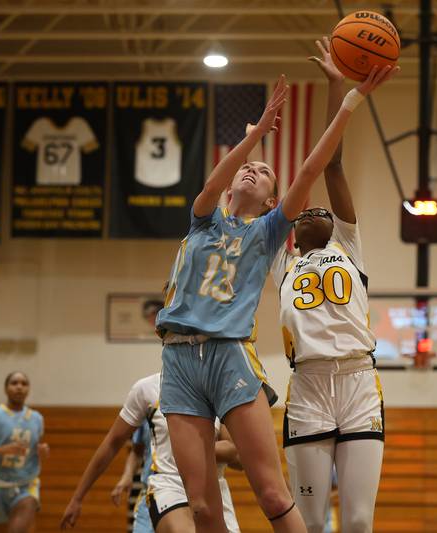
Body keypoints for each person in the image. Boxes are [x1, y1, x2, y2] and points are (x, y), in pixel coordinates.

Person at [155, 66, 397, 533]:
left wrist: (350, 99)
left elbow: (318, 167)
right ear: (229, 187)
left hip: (248, 356)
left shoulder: (279, 238)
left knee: (286, 498)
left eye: (265, 171)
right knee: (202, 507)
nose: (252, 169)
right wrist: (255, 138)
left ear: (274, 204)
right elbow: (221, 176)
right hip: (184, 357)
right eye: (246, 168)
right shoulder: (205, 219)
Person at [269, 37, 384, 533]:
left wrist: (336, 84)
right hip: (309, 387)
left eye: (324, 210)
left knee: (358, 522)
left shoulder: (348, 246)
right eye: (303, 210)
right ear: (292, 228)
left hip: (359, 383)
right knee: (312, 525)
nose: (315, 208)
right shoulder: (280, 260)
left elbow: (331, 163)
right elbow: (277, 201)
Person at [60, 373, 242, 532]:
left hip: (213, 489)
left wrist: (194, 450)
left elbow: (235, 455)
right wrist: (77, 497)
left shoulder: (215, 389)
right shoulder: (148, 389)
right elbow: (113, 443)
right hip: (169, 485)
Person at [0, 371, 49, 533]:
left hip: (26, 486)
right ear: (5, 389)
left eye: (24, 383)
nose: (19, 387)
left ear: (28, 389)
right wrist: (3, 450)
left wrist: (43, 452)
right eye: (14, 383)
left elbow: (37, 452)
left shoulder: (37, 419)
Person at [111, 423, 154, 533]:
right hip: (150, 496)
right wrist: (127, 475)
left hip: (183, 495)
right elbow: (136, 451)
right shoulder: (147, 409)